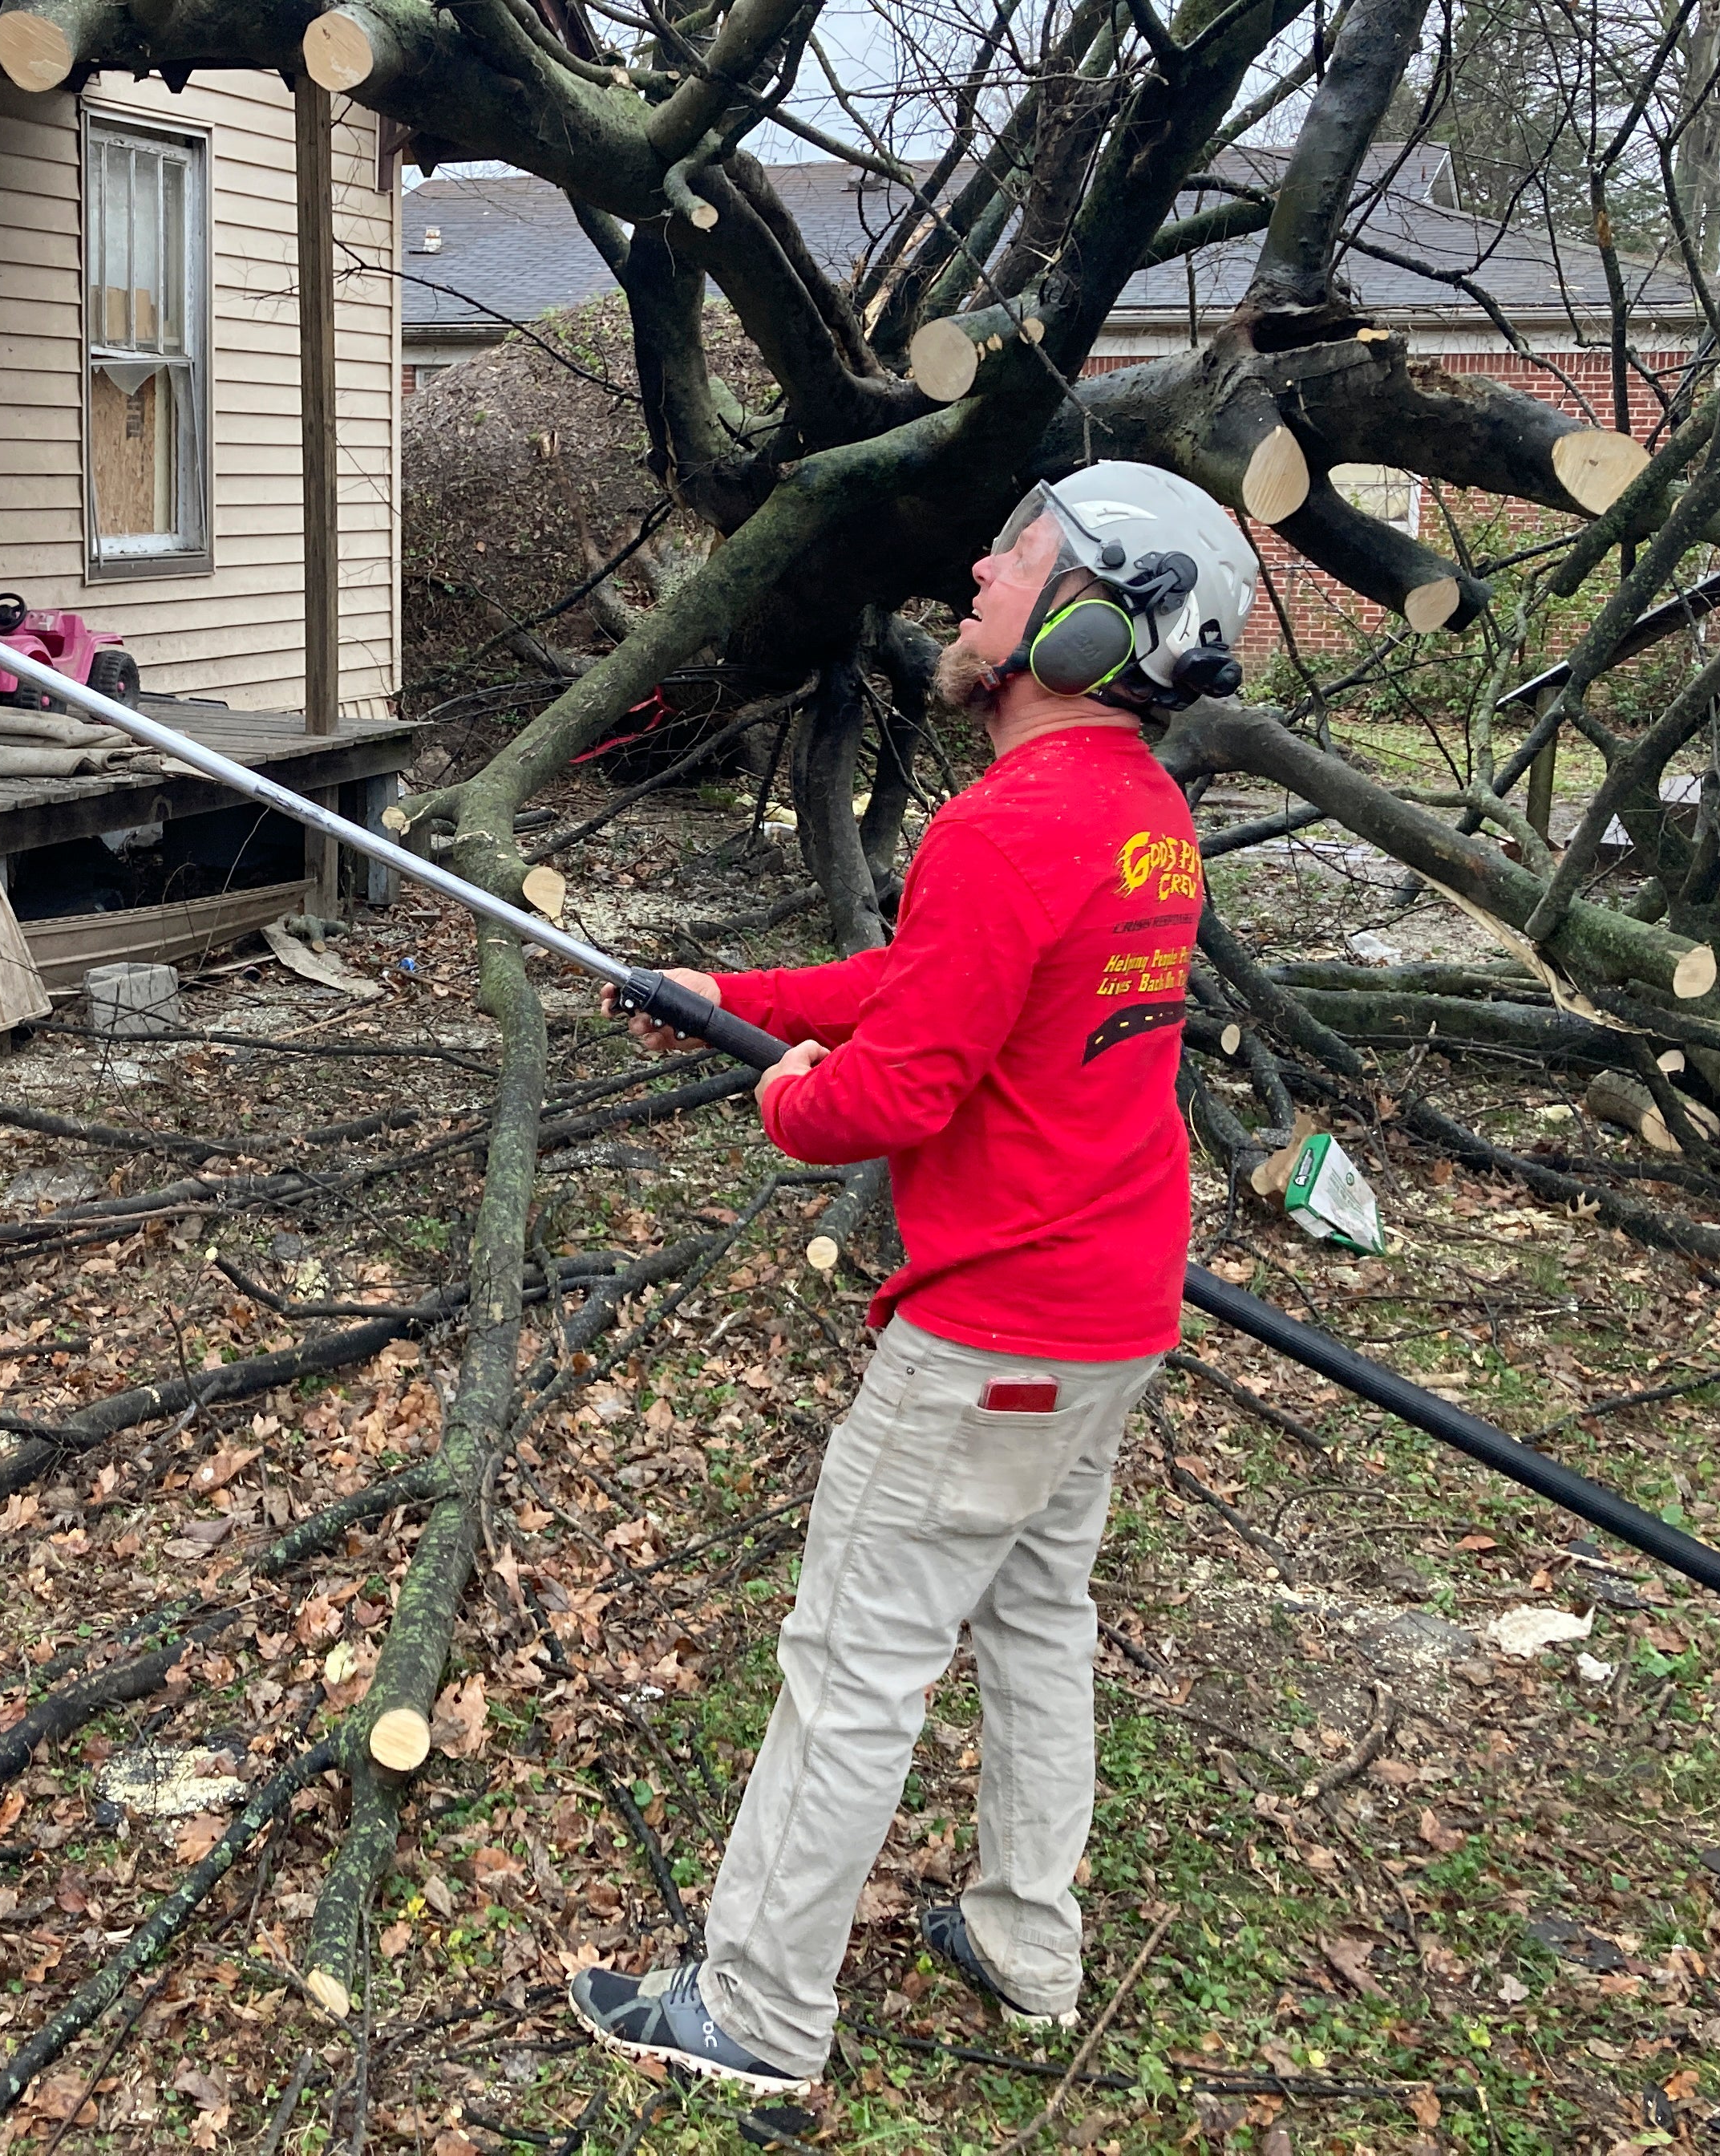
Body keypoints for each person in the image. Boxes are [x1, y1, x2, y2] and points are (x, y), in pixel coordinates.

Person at [567, 465, 1257, 2097]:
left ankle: (751, 2012)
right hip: (1109, 1311)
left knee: (854, 1658)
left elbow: (895, 1093)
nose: (977, 572)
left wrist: (784, 1093)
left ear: (1088, 626)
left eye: (1014, 564)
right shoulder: (1142, 815)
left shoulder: (1013, 820)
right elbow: (924, 977)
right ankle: (1027, 1937)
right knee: (1035, 1622)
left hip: (997, 1328)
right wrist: (723, 988)